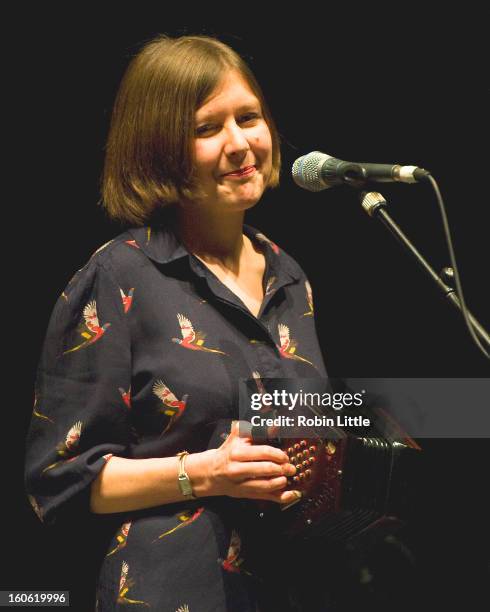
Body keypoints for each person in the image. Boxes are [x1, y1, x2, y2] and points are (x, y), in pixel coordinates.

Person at [24, 35, 328, 611]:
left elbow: (305, 431)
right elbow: (60, 479)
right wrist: (208, 472)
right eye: (208, 129)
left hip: (290, 587)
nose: (241, 144)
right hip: (173, 591)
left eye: (249, 117)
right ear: (160, 150)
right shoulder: (120, 275)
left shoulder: (290, 277)